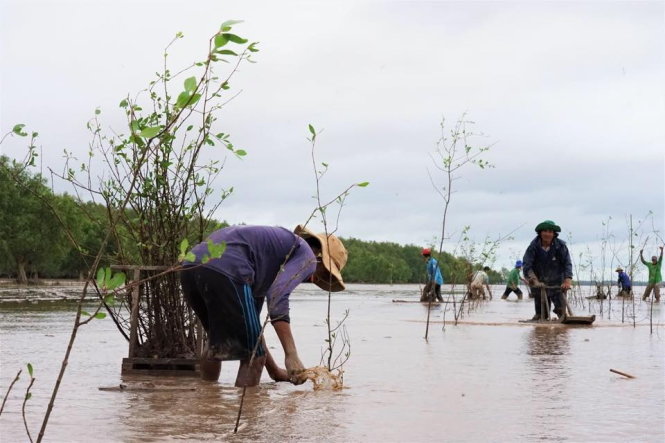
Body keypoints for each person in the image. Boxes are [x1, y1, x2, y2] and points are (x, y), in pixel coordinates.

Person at [180, 224, 347, 387]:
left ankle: (207, 405)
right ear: (319, 256)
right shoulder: (307, 255)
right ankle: (246, 413)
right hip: (229, 269)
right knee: (254, 356)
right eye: (323, 272)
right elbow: (278, 296)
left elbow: (255, 333)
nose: (314, 278)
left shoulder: (265, 265)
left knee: (216, 344)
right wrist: (291, 355)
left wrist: (275, 372)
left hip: (191, 266)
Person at [522, 220, 573, 320]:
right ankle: (540, 329)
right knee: (542, 315)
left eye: (550, 231)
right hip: (539, 282)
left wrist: (567, 280)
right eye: (545, 231)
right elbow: (527, 265)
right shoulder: (533, 247)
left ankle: (562, 328)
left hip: (557, 282)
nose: (547, 234)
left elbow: (567, 263)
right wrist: (534, 280)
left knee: (561, 312)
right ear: (540, 233)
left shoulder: (561, 246)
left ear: (554, 234)